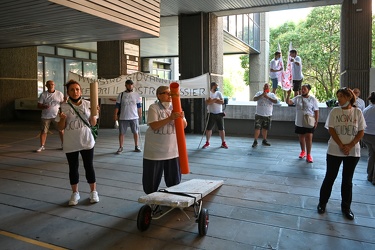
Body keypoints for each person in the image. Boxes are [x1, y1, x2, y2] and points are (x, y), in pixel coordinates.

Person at [317, 87, 366, 220]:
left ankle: (346, 207)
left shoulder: (358, 112)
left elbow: (361, 131)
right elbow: (331, 129)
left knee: (347, 180)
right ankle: (322, 203)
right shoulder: (334, 111)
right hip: (334, 149)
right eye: (338, 97)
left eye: (341, 97)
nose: (339, 99)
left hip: (352, 151)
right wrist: (340, 144)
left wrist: (350, 145)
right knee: (330, 177)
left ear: (349, 97)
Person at [56, 79, 99, 206]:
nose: (75, 92)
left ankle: (93, 192)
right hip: (71, 142)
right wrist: (63, 119)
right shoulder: (63, 107)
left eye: (77, 89)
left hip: (86, 140)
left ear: (81, 91)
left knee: (89, 166)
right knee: (73, 168)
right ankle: (75, 193)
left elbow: (93, 123)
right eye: (72, 90)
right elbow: (60, 128)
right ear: (68, 92)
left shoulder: (88, 104)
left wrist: (94, 113)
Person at [142, 86, 187, 194]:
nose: (169, 96)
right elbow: (154, 126)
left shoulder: (175, 107)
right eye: (166, 93)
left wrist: (181, 118)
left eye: (170, 93)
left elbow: (184, 126)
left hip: (173, 151)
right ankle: (151, 203)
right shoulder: (154, 107)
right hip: (155, 152)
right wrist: (170, 118)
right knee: (151, 181)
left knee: (174, 181)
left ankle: (172, 199)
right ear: (158, 95)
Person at [286, 84, 319, 163]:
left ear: (308, 90)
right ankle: (303, 151)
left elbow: (316, 110)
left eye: (304, 89)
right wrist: (288, 94)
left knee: (309, 137)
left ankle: (309, 154)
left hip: (309, 121)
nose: (302, 90)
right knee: (301, 137)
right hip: (299, 121)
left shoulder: (312, 99)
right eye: (302, 89)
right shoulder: (298, 98)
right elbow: (289, 102)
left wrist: (316, 121)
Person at [114, 79, 142, 154]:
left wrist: (140, 115)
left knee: (135, 132)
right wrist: (115, 114)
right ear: (126, 85)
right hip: (123, 116)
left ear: (133, 85)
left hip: (134, 116)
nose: (130, 86)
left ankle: (136, 146)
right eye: (128, 84)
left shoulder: (136, 94)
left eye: (131, 84)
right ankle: (121, 147)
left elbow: (139, 106)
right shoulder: (121, 94)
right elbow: (117, 106)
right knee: (121, 133)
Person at [36, 80, 65, 152]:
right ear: (46, 86)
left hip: (56, 115)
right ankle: (42, 146)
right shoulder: (43, 94)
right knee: (43, 131)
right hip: (45, 116)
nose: (51, 85)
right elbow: (39, 105)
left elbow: (63, 104)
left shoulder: (59, 94)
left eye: (52, 84)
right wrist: (44, 106)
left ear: (54, 85)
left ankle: (64, 145)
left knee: (61, 130)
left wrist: (65, 101)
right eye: (49, 84)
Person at [202, 82, 228, 149]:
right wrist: (216, 100)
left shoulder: (219, 93)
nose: (217, 87)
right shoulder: (208, 93)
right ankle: (207, 142)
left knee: (221, 129)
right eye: (216, 86)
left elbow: (222, 102)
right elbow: (208, 102)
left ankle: (223, 142)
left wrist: (213, 100)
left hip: (219, 113)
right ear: (213, 86)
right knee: (208, 129)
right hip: (211, 113)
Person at [252, 83, 278, 147]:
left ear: (269, 88)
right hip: (259, 114)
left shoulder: (272, 94)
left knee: (265, 128)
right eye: (265, 86)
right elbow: (254, 99)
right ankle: (255, 141)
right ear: (263, 87)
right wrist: (261, 95)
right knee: (257, 128)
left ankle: (264, 140)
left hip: (268, 114)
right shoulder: (259, 93)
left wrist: (268, 97)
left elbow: (276, 101)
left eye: (267, 86)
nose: (266, 87)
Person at [362, 91, 375, 185]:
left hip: (366, 135)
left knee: (371, 155)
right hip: (374, 135)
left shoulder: (367, 109)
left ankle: (369, 175)